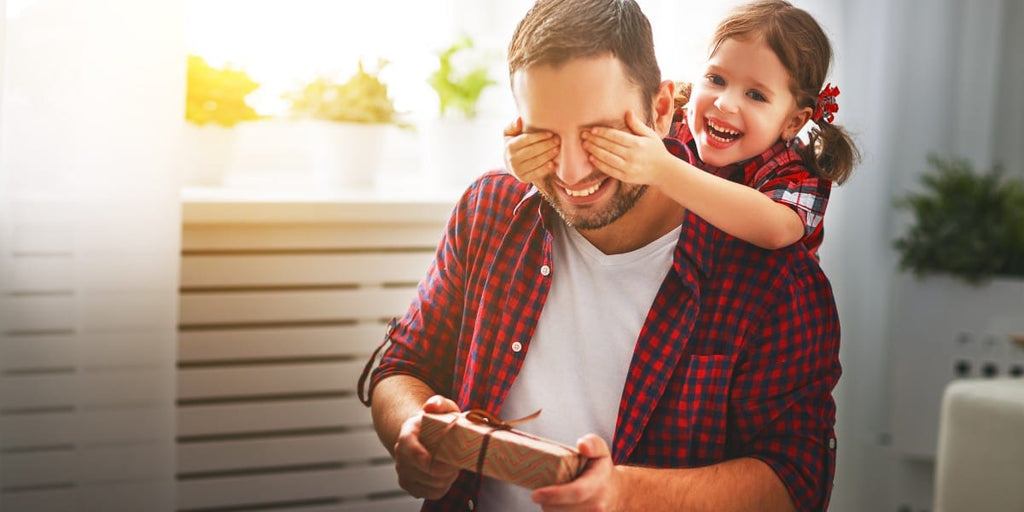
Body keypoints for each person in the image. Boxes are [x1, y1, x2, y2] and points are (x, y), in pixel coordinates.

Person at [359, 0, 841, 510]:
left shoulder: (778, 277)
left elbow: (797, 480)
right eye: (545, 135)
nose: (570, 173)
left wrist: (623, 495)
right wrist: (413, 430)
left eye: (600, 136)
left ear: (660, 111)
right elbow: (402, 365)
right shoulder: (490, 209)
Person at [503, 0, 859, 257]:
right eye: (717, 79)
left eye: (755, 95)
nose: (725, 103)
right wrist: (526, 154)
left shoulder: (795, 168)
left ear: (794, 121)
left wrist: (664, 169)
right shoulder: (672, 118)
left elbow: (776, 230)